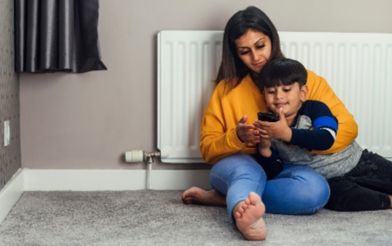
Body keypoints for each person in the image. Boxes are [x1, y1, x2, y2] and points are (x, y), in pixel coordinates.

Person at [181, 6, 357, 241]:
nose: (256, 58)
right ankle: (243, 218)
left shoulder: (305, 80)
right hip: (243, 164)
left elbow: (348, 128)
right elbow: (207, 148)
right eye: (245, 51)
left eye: (260, 46)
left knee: (317, 191)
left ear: (272, 39)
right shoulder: (226, 90)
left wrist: (290, 136)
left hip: (284, 167)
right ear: (235, 54)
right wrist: (238, 138)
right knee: (247, 172)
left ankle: (228, 197)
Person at [254, 57, 392, 212]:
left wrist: (288, 134)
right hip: (330, 180)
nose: (278, 96)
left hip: (357, 162)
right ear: (264, 95)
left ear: (303, 93)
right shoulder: (268, 124)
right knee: (340, 200)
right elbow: (275, 171)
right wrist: (264, 148)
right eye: (271, 92)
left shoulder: (316, 109)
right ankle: (387, 200)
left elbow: (326, 138)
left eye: (286, 90)